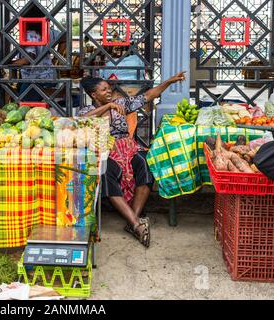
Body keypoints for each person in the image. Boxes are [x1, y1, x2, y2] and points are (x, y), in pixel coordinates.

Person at [79, 71, 186, 247]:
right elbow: (82, 121)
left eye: (109, 88)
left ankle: (132, 222)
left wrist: (169, 81)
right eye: (104, 89)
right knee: (105, 173)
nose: (109, 92)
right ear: (93, 95)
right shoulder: (87, 110)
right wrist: (108, 107)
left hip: (128, 147)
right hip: (105, 150)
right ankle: (137, 224)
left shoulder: (121, 103)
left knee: (145, 163)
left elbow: (148, 96)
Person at [12, 6, 66, 102]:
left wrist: (13, 63)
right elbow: (64, 37)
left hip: (33, 79)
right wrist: (56, 58)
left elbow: (29, 58)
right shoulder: (49, 32)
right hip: (50, 76)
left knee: (25, 106)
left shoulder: (29, 34)